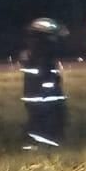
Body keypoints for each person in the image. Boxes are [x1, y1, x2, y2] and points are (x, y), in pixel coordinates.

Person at [20, 17, 69, 149]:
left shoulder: (34, 53)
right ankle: (42, 144)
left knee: (39, 120)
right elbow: (45, 74)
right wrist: (51, 83)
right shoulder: (42, 54)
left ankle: (39, 143)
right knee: (48, 119)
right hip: (44, 96)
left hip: (38, 95)